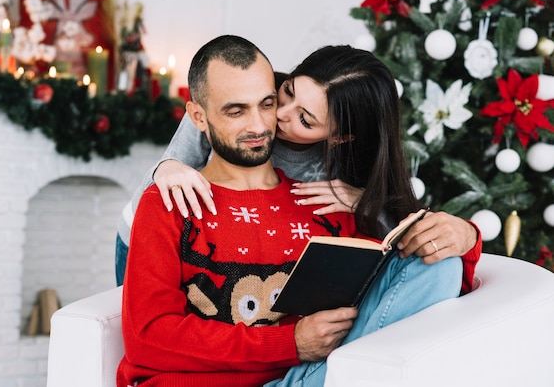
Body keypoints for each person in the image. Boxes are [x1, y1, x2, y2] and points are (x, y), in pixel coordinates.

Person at [117, 35, 464, 387]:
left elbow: (417, 269)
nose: (265, 123)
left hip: (305, 377)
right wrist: (165, 169)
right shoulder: (168, 200)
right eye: (237, 111)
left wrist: (466, 235)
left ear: (338, 137)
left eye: (267, 104)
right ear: (199, 117)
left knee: (441, 264)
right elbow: (146, 339)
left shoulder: (332, 200)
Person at [114, 46, 482, 292]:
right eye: (286, 92)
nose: (275, 117)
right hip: (145, 243)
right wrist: (168, 167)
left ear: (340, 138)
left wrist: (366, 204)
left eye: (305, 120)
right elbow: (158, 190)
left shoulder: (344, 167)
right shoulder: (245, 95)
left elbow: (405, 245)